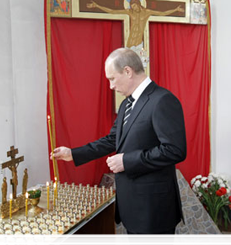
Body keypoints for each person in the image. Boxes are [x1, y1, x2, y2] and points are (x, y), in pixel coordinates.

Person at [52, 48, 187, 245]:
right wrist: (73, 153)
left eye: (112, 78)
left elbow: (174, 150)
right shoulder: (126, 104)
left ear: (128, 71)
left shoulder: (162, 100)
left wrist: (127, 160)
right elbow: (112, 140)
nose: (110, 86)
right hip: (133, 207)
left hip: (154, 210)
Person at [87, 0, 184, 48]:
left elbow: (162, 13)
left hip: (139, 43)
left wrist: (176, 9)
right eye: (132, 6)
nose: (134, 8)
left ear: (139, 4)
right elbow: (113, 11)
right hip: (130, 42)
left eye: (135, 6)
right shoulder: (129, 12)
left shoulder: (147, 12)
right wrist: (97, 6)